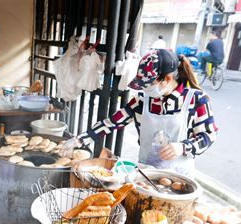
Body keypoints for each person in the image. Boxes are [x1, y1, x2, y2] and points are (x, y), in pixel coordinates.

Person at [63, 49, 217, 177]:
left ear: (167, 79)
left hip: (179, 179)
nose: (145, 89)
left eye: (149, 85)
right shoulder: (143, 100)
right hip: (145, 175)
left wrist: (183, 147)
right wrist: (80, 140)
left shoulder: (196, 100)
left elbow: (209, 135)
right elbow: (113, 122)